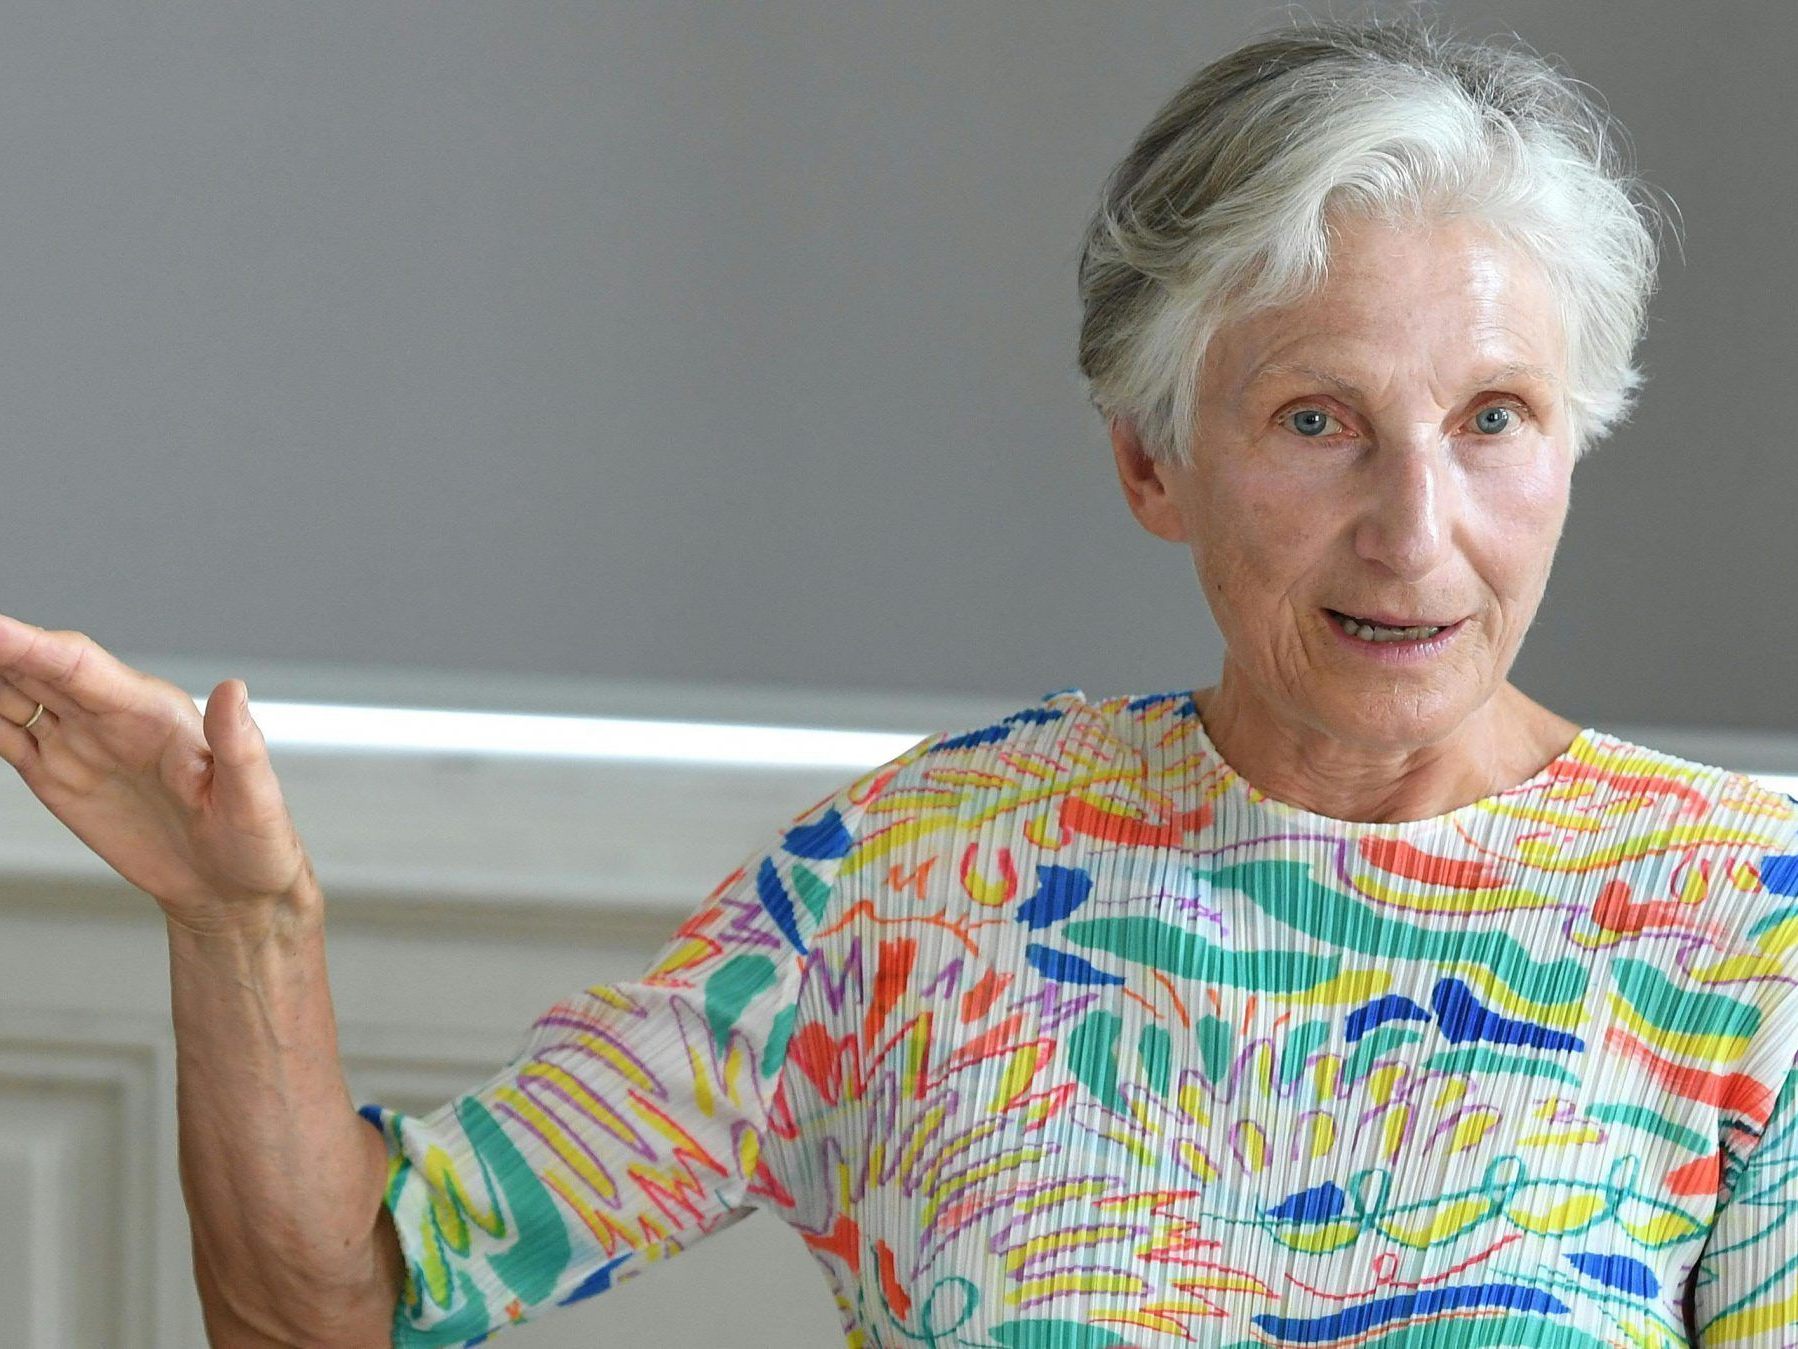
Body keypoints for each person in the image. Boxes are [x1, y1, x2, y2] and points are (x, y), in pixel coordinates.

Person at [0, 11, 1791, 1347]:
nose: (1414, 531)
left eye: (1492, 419)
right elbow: (338, 1301)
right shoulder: (922, 878)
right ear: (1151, 461)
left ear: (1575, 440)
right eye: (1315, 420)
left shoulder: (1749, 922)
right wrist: (239, 926)